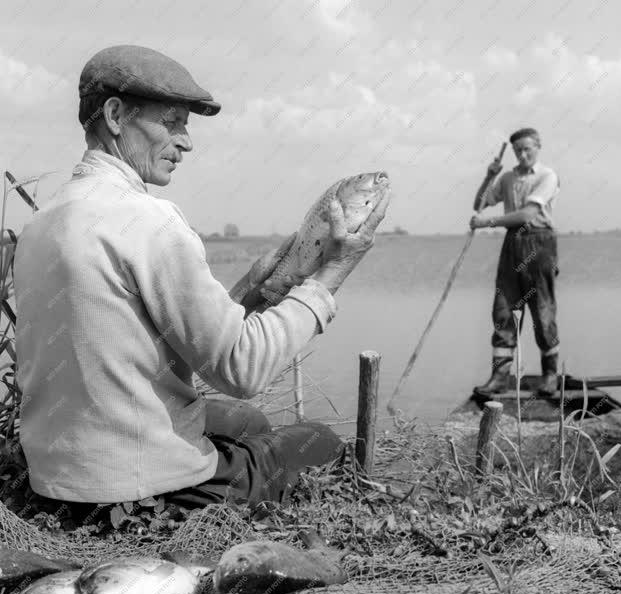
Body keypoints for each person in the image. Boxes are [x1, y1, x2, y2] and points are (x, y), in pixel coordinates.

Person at [13, 45, 390, 513]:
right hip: (142, 489)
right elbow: (242, 369)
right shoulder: (150, 222)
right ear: (114, 115)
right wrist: (332, 272)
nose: (187, 142)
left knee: (247, 423)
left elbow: (161, 334)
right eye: (172, 123)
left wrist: (251, 293)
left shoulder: (39, 225)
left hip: (57, 479)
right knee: (319, 441)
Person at [469, 127, 560, 397]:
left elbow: (527, 214)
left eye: (527, 148)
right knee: (503, 310)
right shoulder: (507, 177)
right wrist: (490, 175)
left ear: (538, 146)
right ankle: (499, 378)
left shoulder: (548, 176)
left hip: (540, 244)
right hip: (512, 245)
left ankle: (550, 376)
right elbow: (480, 204)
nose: (522, 154)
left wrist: (488, 223)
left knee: (543, 313)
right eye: (518, 150)